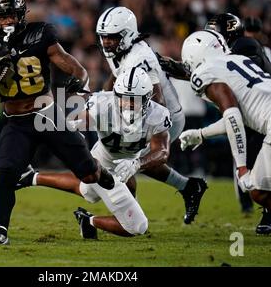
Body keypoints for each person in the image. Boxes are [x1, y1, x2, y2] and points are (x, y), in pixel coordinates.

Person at [0, 0, 115, 245]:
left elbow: (71, 63)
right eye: (1, 17)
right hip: (16, 121)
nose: (7, 21)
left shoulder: (40, 34)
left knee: (89, 176)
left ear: (21, 14)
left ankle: (98, 168)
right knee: (6, 174)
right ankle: (0, 231)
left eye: (11, 15)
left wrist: (79, 79)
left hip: (47, 114)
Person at [179, 30, 271, 259]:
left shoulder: (205, 71)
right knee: (259, 192)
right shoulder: (236, 59)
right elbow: (239, 115)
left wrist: (241, 166)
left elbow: (232, 116)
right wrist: (201, 134)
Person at [17, 68, 175, 238]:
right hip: (102, 161)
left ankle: (32, 177)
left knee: (88, 192)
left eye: (134, 100)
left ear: (147, 98)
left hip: (127, 165)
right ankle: (91, 220)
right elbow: (81, 119)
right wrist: (71, 125)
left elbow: (162, 152)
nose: (128, 104)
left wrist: (137, 163)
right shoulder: (102, 104)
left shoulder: (158, 114)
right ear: (116, 96)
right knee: (138, 226)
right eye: (124, 98)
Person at [95, 6, 207, 224]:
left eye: (111, 37)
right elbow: (116, 73)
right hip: (142, 110)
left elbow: (157, 101)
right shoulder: (121, 49)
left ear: (126, 35)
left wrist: (137, 128)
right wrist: (104, 95)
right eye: (104, 37)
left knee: (123, 160)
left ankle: (127, 219)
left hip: (164, 116)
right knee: (131, 160)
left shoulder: (139, 57)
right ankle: (189, 187)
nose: (106, 42)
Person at [204, 13, 271, 234]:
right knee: (251, 164)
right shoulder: (237, 48)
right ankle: (270, 210)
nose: (212, 39)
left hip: (266, 113)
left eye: (215, 34)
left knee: (259, 167)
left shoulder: (246, 46)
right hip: (254, 114)